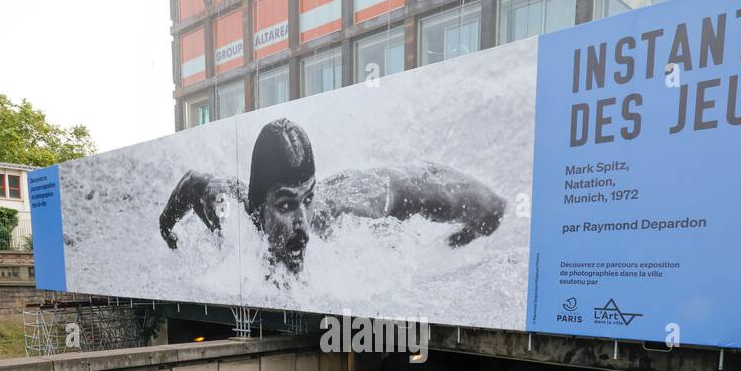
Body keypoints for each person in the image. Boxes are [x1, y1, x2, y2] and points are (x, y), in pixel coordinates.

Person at [158, 118, 506, 276]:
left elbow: (413, 180)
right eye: (284, 206)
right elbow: (191, 182)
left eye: (306, 200)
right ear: (257, 205)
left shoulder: (335, 208)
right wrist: (168, 232)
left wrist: (483, 212)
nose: (302, 223)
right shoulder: (227, 207)